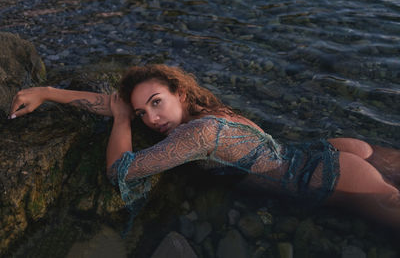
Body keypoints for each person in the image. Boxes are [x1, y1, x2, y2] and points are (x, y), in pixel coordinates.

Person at [9, 64, 400, 231]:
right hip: (339, 152)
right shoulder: (202, 108)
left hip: (335, 178)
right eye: (142, 112)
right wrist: (47, 92)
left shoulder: (193, 135)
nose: (151, 118)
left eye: (156, 102)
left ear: (178, 92)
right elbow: (112, 102)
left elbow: (121, 171)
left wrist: (123, 122)